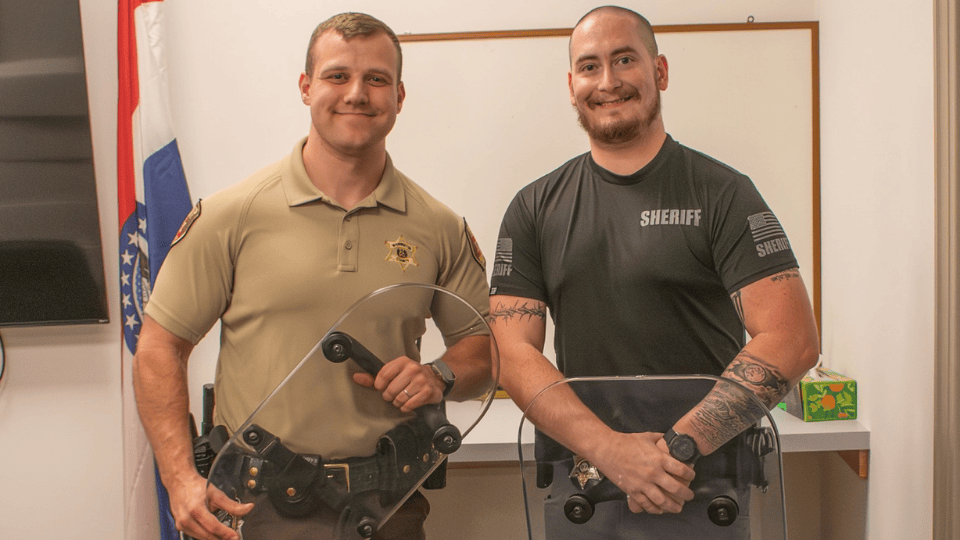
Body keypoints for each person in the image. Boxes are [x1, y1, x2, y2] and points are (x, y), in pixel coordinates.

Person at [133, 12, 491, 540]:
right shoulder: (232, 215)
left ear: (398, 95)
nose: (357, 94)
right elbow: (160, 348)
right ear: (306, 88)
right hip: (255, 508)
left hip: (389, 506)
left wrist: (438, 375)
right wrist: (179, 477)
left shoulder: (438, 226)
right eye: (337, 76)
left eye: (376, 79)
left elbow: (483, 354)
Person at [488, 6, 820, 538]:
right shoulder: (533, 208)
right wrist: (610, 451)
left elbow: (793, 340)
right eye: (590, 66)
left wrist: (673, 451)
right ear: (572, 85)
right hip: (585, 484)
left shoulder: (724, 194)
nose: (608, 81)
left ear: (659, 72)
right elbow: (511, 353)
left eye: (625, 60)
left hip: (701, 481)